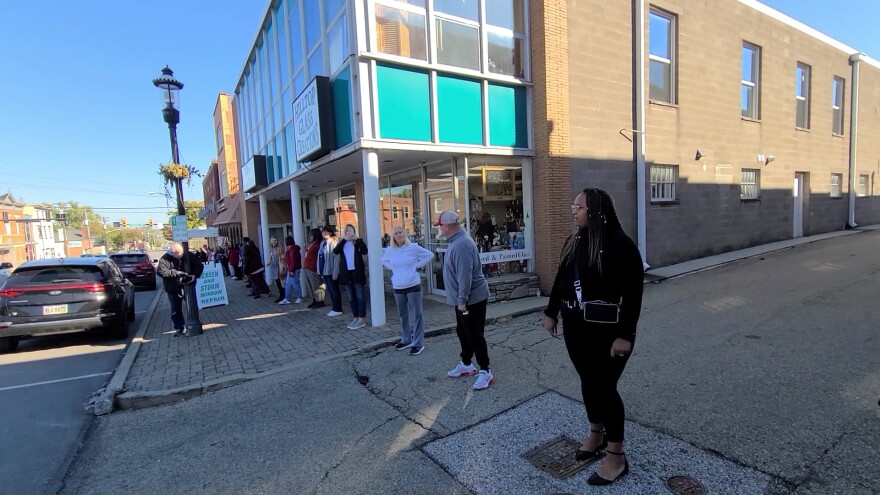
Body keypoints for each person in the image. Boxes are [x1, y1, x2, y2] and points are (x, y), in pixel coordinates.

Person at [543, 188, 644, 486]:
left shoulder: (620, 245)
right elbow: (562, 279)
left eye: (579, 206)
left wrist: (625, 335)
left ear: (596, 211)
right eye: (573, 205)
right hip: (577, 328)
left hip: (609, 333)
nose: (574, 211)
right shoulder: (575, 241)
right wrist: (551, 312)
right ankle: (596, 434)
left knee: (605, 388)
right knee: (588, 382)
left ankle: (616, 457)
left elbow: (634, 293)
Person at [435, 211, 493, 390]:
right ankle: (467, 363)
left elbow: (465, 276)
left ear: (448, 226)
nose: (440, 229)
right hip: (465, 299)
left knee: (475, 335)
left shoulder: (461, 244)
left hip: (471, 300)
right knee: (463, 332)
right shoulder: (457, 241)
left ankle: (485, 371)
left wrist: (462, 300)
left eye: (440, 226)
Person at [381, 226, 433, 355]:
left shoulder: (413, 247)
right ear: (393, 236)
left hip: (413, 285)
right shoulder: (390, 250)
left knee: (417, 315)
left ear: (404, 234)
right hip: (398, 286)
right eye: (396, 233)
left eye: (401, 232)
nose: (399, 235)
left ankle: (418, 343)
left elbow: (429, 255)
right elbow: (383, 261)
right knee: (403, 315)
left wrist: (416, 266)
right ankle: (406, 339)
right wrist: (394, 269)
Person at [157, 242, 204, 337]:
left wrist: (194, 275)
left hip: (187, 285)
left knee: (191, 304)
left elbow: (199, 265)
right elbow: (161, 272)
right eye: (178, 255)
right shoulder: (164, 259)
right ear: (172, 253)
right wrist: (176, 273)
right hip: (172, 287)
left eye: (182, 254)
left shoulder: (189, 255)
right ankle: (179, 327)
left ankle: (194, 322)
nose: (180, 256)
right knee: (175, 308)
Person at [333, 224, 368, 329]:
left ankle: (362, 318)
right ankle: (356, 317)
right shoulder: (342, 243)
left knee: (360, 296)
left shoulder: (357, 242)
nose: (349, 232)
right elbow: (335, 251)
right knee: (352, 297)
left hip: (357, 273)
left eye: (351, 230)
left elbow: (365, 251)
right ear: (345, 232)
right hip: (346, 274)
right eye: (347, 230)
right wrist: (344, 240)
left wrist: (357, 240)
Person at [318, 226, 343, 317]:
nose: (324, 233)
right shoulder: (322, 243)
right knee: (330, 290)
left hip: (331, 271)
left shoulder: (333, 242)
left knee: (334, 290)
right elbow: (320, 257)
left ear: (330, 232)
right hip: (324, 270)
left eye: (326, 232)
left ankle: (338, 308)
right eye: (323, 232)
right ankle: (334, 307)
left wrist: (335, 272)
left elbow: (336, 258)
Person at [302, 228, 325, 308]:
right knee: (310, 285)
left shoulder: (318, 244)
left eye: (311, 235)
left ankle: (320, 301)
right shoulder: (311, 244)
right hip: (306, 266)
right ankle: (314, 300)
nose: (310, 237)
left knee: (316, 284)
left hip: (313, 267)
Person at [278, 236, 303, 305]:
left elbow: (293, 261)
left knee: (295, 283)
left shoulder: (293, 250)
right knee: (288, 284)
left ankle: (299, 297)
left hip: (293, 269)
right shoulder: (291, 249)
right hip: (291, 269)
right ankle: (287, 298)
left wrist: (291, 270)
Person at [266, 236, 285, 303]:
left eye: (275, 240)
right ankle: (281, 295)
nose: (274, 242)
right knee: (277, 282)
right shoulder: (271, 248)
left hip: (279, 266)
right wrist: (269, 262)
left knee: (280, 282)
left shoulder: (279, 248)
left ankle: (283, 295)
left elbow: (282, 257)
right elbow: (271, 257)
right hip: (274, 267)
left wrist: (281, 263)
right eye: (272, 240)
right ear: (270, 241)